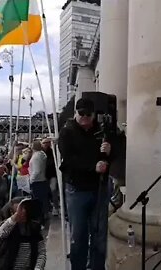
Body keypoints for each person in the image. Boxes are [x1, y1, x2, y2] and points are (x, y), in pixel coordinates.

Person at [58, 98, 112, 270]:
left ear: (94, 115)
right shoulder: (67, 131)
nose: (84, 118)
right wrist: (92, 167)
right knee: (79, 236)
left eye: (88, 114)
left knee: (99, 236)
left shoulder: (101, 130)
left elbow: (113, 154)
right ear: (76, 113)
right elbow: (68, 161)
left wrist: (110, 152)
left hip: (99, 188)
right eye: (80, 114)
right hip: (77, 190)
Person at [0, 197, 47, 270]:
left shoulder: (34, 227)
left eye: (25, 208)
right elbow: (1, 233)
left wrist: (38, 268)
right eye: (20, 209)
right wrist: (15, 217)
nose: (23, 212)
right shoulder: (8, 225)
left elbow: (41, 252)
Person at [29, 140, 49, 223]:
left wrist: (31, 180)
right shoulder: (42, 155)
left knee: (38, 202)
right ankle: (42, 217)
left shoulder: (36, 157)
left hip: (37, 181)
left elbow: (37, 171)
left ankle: (39, 219)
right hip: (42, 180)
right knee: (42, 201)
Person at [42, 138, 59, 216]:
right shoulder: (41, 153)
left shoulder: (52, 152)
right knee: (46, 192)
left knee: (53, 190)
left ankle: (56, 207)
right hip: (44, 175)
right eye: (44, 143)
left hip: (52, 174)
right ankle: (49, 207)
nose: (46, 144)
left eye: (47, 143)